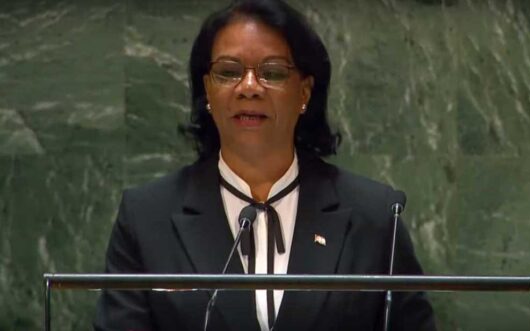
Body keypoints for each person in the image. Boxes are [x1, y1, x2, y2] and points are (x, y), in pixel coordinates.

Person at [94, 0, 437, 330]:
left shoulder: (374, 216)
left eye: (271, 72)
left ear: (304, 92)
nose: (249, 88)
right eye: (228, 72)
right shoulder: (147, 217)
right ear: (207, 90)